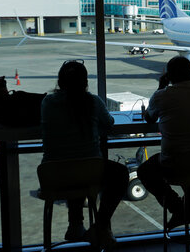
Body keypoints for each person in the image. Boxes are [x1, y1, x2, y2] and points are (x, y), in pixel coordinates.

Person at [40, 60, 129, 248]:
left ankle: (75, 224)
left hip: (54, 176)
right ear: (85, 81)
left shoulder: (47, 102)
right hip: (87, 172)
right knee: (119, 173)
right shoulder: (93, 102)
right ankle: (101, 226)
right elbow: (109, 123)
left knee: (72, 165)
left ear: (61, 81)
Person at [137, 56, 190, 228]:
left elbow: (150, 118)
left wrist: (160, 87)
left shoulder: (163, 95)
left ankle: (178, 208)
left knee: (145, 170)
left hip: (177, 163)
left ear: (169, 76)